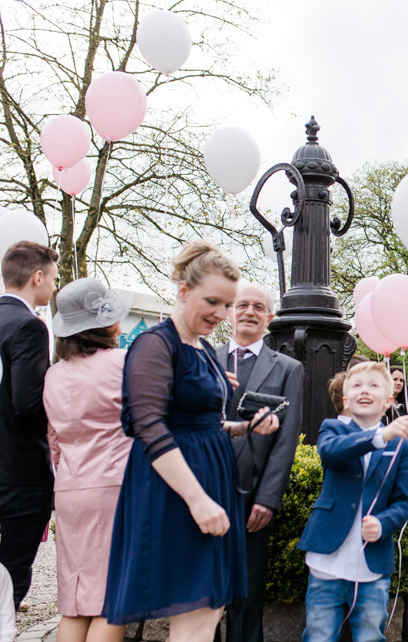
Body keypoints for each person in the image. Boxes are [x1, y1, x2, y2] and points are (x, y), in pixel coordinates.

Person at [102, 241, 279, 641]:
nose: (222, 314)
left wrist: (243, 428)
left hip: (213, 483)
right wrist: (197, 499)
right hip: (176, 492)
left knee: (206, 611)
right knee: (193, 610)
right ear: (183, 291)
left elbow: (206, 423)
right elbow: (148, 426)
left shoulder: (201, 348)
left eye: (227, 304)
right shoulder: (155, 345)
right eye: (213, 301)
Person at [43, 278, 134, 642]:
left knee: (76, 601)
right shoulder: (124, 363)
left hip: (69, 490)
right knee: (112, 599)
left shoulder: (53, 375)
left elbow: (54, 443)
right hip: (114, 485)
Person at [299, 362, 408, 642]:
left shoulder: (400, 444)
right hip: (326, 562)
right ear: (345, 400)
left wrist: (383, 523)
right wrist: (379, 437)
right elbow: (332, 453)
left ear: (389, 401)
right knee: (319, 635)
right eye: (357, 385)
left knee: (370, 636)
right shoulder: (332, 429)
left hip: (372, 567)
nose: (365, 391)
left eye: (374, 385)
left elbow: (403, 502)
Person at [215, 284, 304, 642]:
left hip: (253, 496)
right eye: (242, 305)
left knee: (247, 594)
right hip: (205, 491)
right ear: (229, 311)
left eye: (258, 307)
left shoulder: (288, 369)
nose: (249, 312)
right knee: (203, 594)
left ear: (269, 318)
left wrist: (268, 498)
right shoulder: (204, 358)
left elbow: (287, 439)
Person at [0, 240, 59, 610]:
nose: (54, 285)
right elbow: (27, 404)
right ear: (37, 277)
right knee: (12, 574)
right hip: (18, 472)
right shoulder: (29, 327)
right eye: (53, 278)